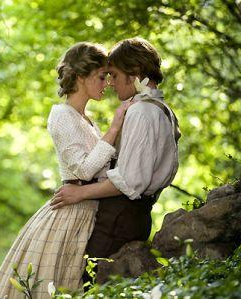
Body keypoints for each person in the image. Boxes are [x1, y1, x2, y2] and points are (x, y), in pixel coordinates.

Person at [0, 42, 133, 298]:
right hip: (71, 213)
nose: (107, 83)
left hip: (89, 208)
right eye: (101, 77)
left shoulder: (86, 120)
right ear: (80, 76)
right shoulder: (61, 115)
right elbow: (84, 169)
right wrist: (115, 126)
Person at [50, 37, 180, 286]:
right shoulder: (161, 109)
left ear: (133, 74)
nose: (111, 83)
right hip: (132, 212)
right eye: (104, 76)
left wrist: (79, 193)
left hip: (121, 214)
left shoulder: (142, 112)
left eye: (114, 75)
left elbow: (129, 181)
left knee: (90, 285)